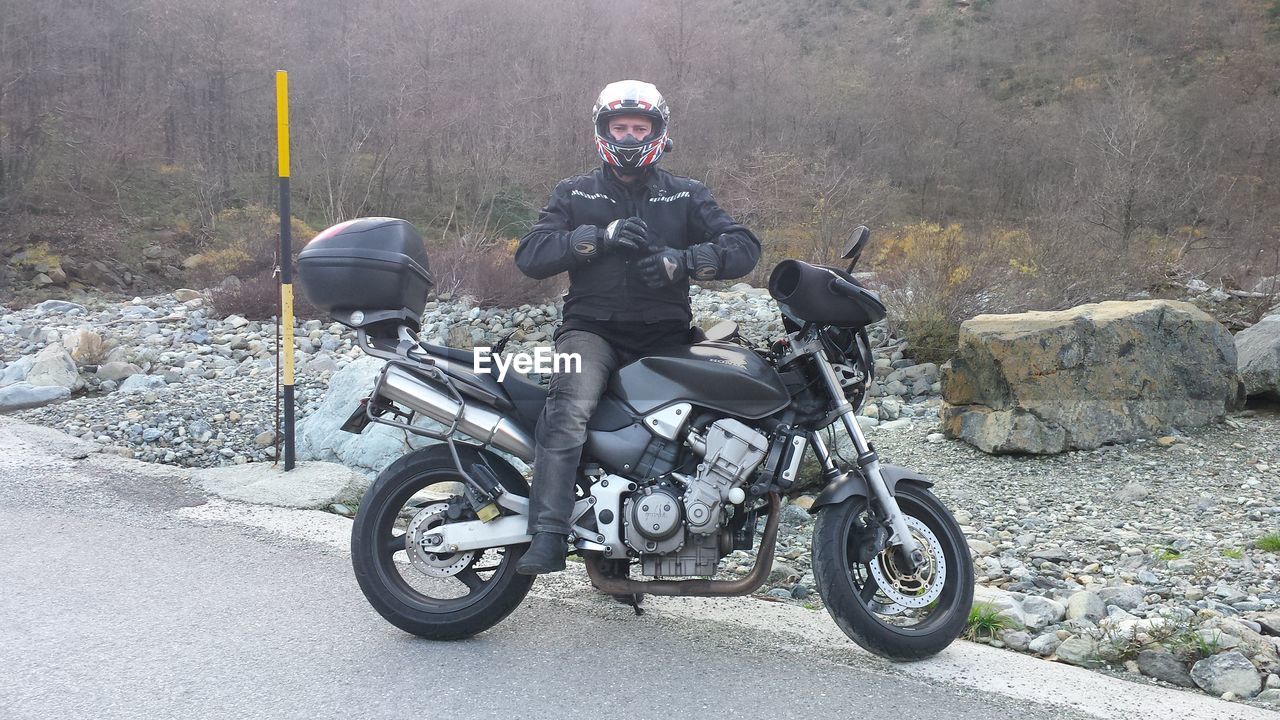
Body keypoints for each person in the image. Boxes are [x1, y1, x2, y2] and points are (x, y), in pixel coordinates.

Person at [512, 80, 761, 575]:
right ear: (604, 131)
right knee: (569, 410)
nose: (628, 135)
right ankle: (548, 533)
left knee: (707, 426)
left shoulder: (686, 194)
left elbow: (744, 246)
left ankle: (667, 530)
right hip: (592, 330)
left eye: (638, 127)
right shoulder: (574, 191)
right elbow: (530, 255)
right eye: (619, 126)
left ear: (657, 132)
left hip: (667, 334)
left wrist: (685, 261)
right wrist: (592, 238)